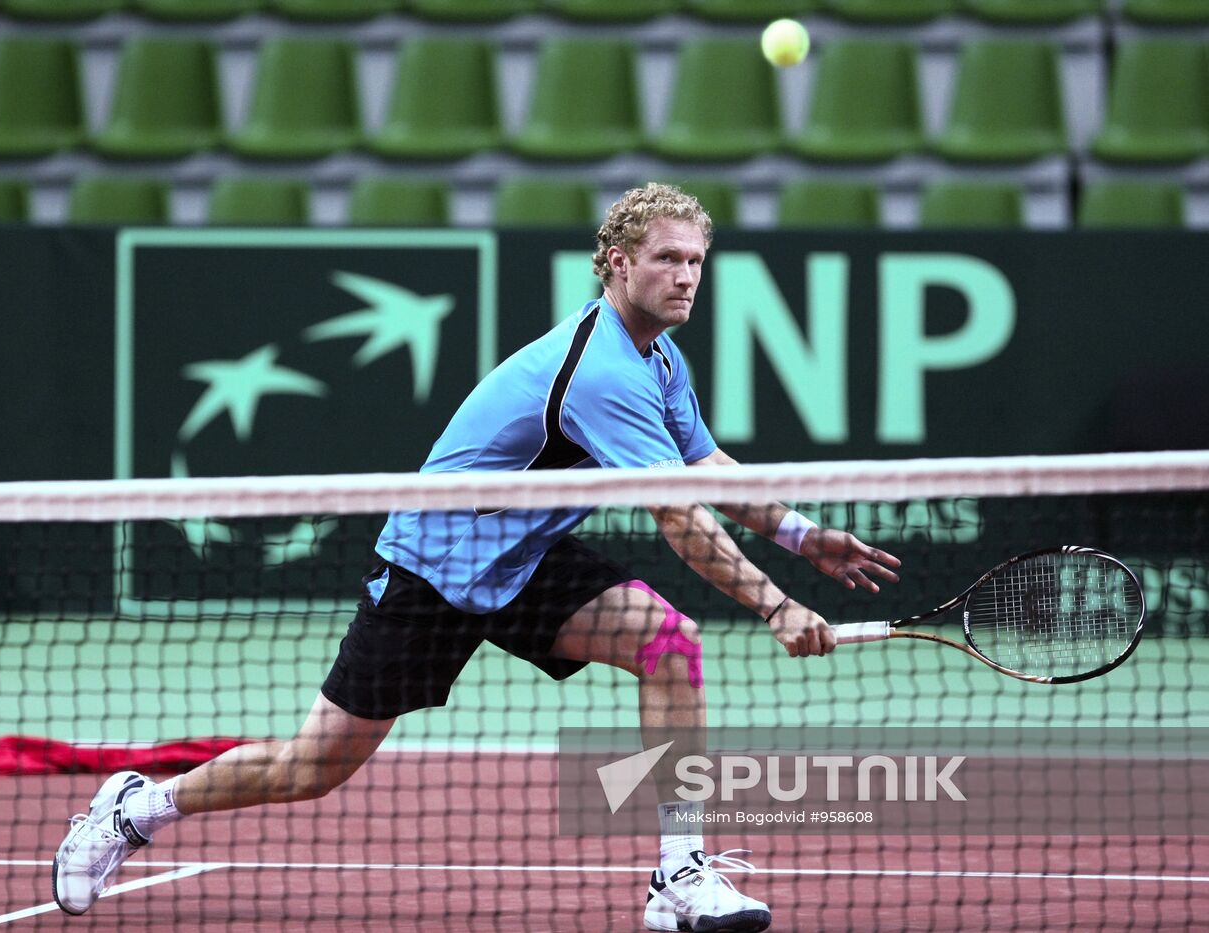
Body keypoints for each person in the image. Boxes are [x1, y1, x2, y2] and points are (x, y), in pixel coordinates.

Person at [51, 183, 900, 931]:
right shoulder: (599, 371)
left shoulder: (658, 355)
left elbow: (704, 465)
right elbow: (680, 514)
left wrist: (799, 533)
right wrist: (778, 605)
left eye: (697, 262)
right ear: (615, 263)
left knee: (668, 643)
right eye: (667, 259)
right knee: (311, 768)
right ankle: (136, 807)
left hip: (525, 555)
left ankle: (678, 873)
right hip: (434, 568)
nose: (686, 277)